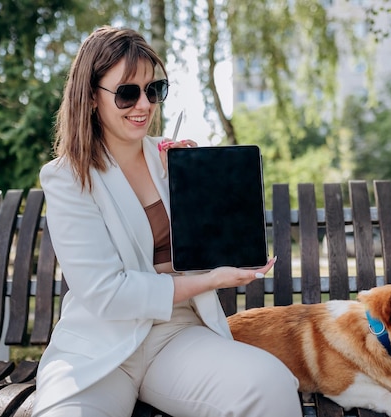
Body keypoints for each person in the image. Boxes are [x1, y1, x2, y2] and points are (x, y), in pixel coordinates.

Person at [32, 25, 302, 417]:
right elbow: (106, 293)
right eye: (127, 93)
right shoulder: (67, 177)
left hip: (176, 335)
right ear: (91, 97)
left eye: (153, 90)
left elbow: (207, 248)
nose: (143, 105)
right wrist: (209, 281)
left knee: (270, 386)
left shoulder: (173, 158)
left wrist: (191, 192)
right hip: (98, 345)